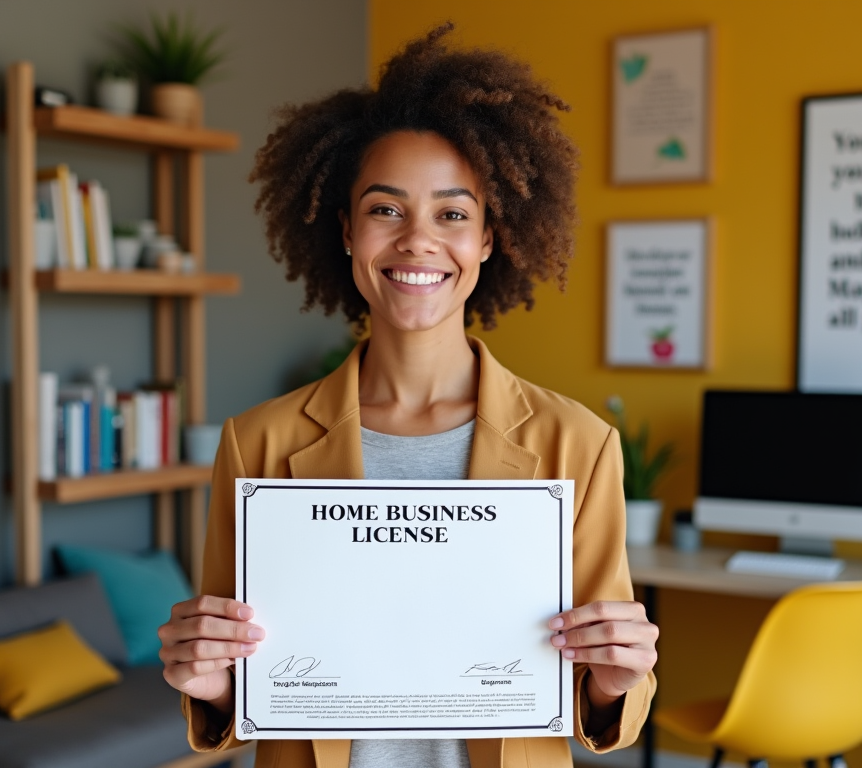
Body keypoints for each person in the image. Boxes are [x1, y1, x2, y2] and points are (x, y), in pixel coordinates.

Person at [158, 23, 658, 768]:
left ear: (488, 238)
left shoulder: (578, 446)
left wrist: (618, 680)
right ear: (348, 231)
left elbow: (595, 696)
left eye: (452, 214)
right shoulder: (255, 444)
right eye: (386, 209)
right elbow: (239, 689)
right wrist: (208, 681)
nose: (418, 241)